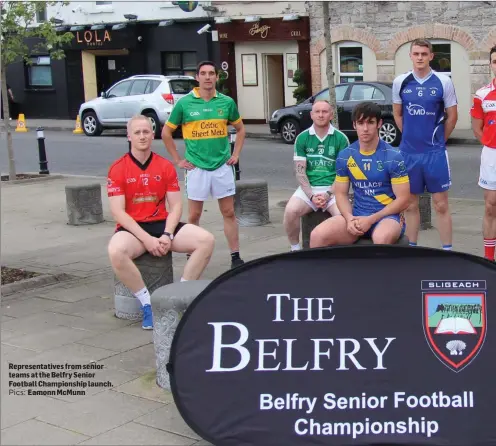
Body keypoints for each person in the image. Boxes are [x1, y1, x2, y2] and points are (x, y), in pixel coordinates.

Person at [107, 115, 215, 330]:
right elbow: (118, 212)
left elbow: (175, 206)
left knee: (206, 240)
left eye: (146, 131)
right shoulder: (118, 168)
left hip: (162, 224)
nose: (142, 136)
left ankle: (180, 300)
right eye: (137, 132)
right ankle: (148, 304)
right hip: (134, 230)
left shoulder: (164, 166)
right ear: (129, 136)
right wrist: (147, 240)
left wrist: (167, 234)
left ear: (153, 134)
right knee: (115, 251)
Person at [162, 61, 246, 269]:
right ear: (197, 77)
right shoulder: (185, 104)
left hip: (221, 167)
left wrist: (235, 154)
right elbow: (166, 133)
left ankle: (235, 257)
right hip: (196, 167)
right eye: (203, 74)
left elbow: (241, 129)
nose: (208, 77)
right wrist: (178, 160)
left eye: (211, 74)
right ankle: (192, 256)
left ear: (217, 77)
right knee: (194, 215)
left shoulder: (226, 103)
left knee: (228, 212)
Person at [310, 102, 411, 247]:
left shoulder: (393, 156)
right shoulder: (345, 155)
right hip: (357, 214)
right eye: (360, 123)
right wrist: (349, 217)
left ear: (379, 124)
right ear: (354, 125)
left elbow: (404, 199)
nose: (365, 128)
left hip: (387, 216)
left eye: (370, 122)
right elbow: (341, 194)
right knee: (317, 236)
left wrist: (370, 220)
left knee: (381, 239)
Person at [392, 39, 458, 250]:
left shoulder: (443, 82)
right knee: (410, 204)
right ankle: (412, 249)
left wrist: (438, 141)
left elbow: (452, 117)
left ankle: (447, 251)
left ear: (431, 56)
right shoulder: (400, 82)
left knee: (441, 204)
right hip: (408, 153)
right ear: (411, 56)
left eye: (424, 53)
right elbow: (397, 114)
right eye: (416, 53)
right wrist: (411, 136)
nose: (420, 57)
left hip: (434, 153)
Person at [283, 100, 349, 251]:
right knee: (290, 211)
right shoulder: (302, 138)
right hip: (309, 189)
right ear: (311, 115)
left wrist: (328, 194)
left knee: (343, 218)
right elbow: (300, 173)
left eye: (325, 111)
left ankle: (337, 252)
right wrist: (312, 196)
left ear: (331, 115)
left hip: (334, 190)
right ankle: (295, 249)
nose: (321, 115)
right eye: (317, 112)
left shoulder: (341, 138)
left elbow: (342, 175)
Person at [471, 45, 496, 261]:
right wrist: (489, 144)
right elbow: (477, 128)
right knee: (490, 207)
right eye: (495, 61)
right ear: (491, 64)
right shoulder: (482, 94)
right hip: (492, 156)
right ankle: (489, 260)